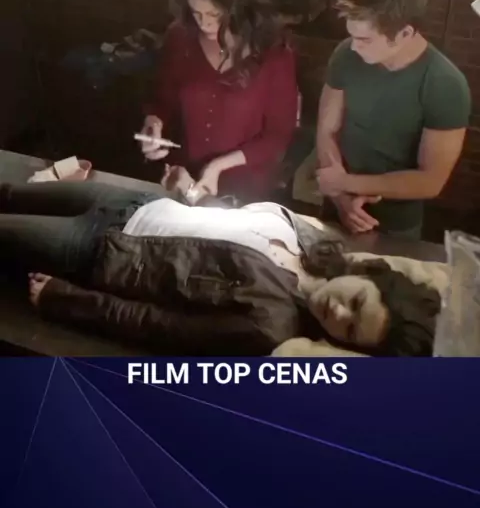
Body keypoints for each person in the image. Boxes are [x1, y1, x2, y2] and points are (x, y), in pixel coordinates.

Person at [0, 179, 440, 356]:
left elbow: (159, 325)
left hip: (97, 250)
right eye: (356, 303)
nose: (338, 313)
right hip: (135, 201)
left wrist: (66, 300)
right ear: (364, 277)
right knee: (10, 191)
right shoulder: (315, 240)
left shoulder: (269, 324)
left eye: (349, 330)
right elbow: (228, 220)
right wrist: (192, 190)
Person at [315, 0, 471, 239]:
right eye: (352, 35)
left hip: (395, 225)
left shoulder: (445, 84)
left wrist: (347, 183)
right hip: (335, 207)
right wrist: (341, 198)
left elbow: (430, 181)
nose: (354, 46)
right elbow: (327, 129)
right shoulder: (346, 54)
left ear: (405, 34)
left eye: (365, 39)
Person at [138, 0, 298, 203]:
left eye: (214, 14)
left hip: (246, 190)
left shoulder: (273, 51)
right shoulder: (180, 37)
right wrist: (153, 126)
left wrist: (218, 166)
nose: (205, 23)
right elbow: (162, 101)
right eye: (196, 13)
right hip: (185, 181)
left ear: (239, 7)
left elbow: (277, 136)